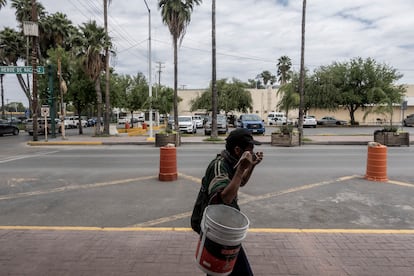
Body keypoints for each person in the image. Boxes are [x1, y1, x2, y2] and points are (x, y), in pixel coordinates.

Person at [198, 128, 264, 275]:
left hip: (225, 227)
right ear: (237, 150)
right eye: (249, 150)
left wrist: (251, 165)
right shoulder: (219, 166)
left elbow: (240, 182)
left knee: (218, 271)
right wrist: (241, 169)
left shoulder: (233, 162)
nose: (252, 153)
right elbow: (225, 198)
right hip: (217, 230)